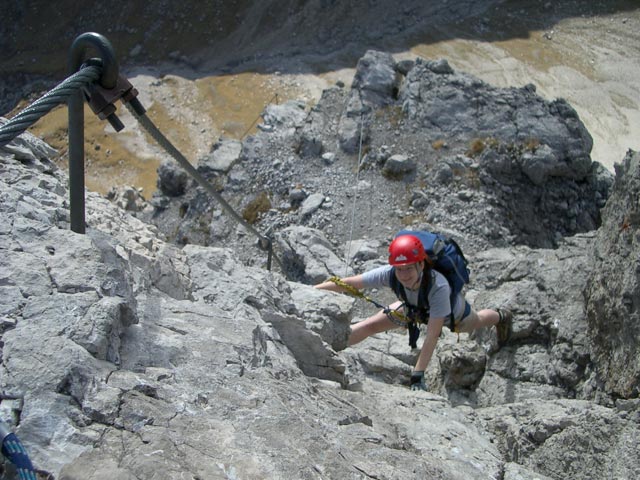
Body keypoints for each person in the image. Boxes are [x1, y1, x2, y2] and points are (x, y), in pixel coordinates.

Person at [315, 234, 512, 391]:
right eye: (399, 269)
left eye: (409, 268)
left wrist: (418, 374)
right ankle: (324, 351)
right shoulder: (390, 273)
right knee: (371, 325)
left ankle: (501, 316)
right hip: (413, 308)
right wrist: (311, 290)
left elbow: (432, 335)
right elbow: (351, 283)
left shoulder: (438, 286)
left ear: (421, 264)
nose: (403, 275)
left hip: (452, 313)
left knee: (475, 321)